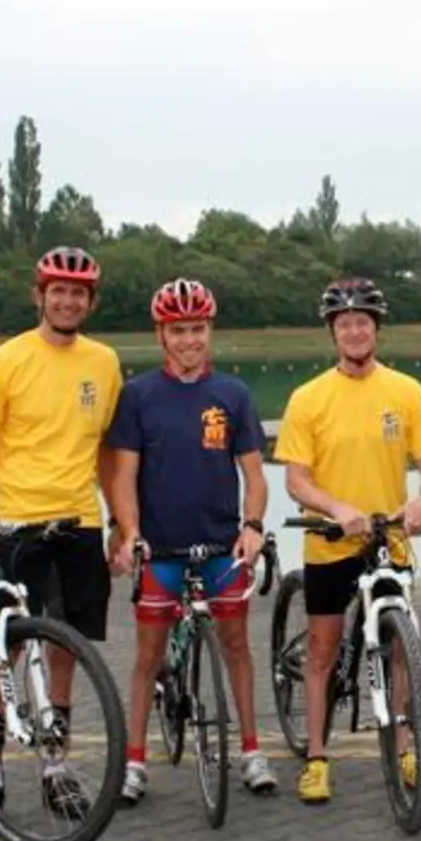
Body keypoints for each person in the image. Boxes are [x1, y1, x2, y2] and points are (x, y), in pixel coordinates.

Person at [0, 245, 123, 830]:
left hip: (79, 524)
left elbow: (107, 454)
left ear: (90, 302)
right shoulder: (6, 360)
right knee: (3, 652)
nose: (69, 299)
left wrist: (124, 521)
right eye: (59, 290)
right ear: (39, 295)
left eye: (79, 292)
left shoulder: (104, 363)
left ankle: (55, 769)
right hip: (15, 524)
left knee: (66, 651)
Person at [271, 276, 421, 805]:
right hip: (331, 542)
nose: (354, 331)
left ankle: (405, 751)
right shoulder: (309, 398)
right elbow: (296, 479)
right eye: (344, 323)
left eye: (363, 322)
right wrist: (337, 508)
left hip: (389, 541)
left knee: (398, 652)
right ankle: (318, 758)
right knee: (323, 651)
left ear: (376, 329)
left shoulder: (405, 391)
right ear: (333, 332)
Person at [102, 277, 278, 804]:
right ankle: (134, 763)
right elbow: (123, 477)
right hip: (162, 550)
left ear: (210, 331)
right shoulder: (138, 397)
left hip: (222, 548)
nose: (189, 340)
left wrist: (252, 527)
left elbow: (256, 475)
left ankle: (251, 752)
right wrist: (130, 533)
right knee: (148, 657)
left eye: (197, 329)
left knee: (237, 648)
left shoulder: (233, 395)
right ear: (161, 335)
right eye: (178, 330)